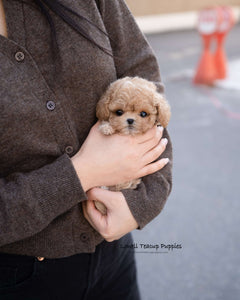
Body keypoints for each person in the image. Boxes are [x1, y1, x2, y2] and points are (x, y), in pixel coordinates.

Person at [0, 0, 172, 299]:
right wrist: (83, 172)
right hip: (17, 275)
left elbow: (142, 77)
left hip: (115, 256)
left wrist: (143, 202)